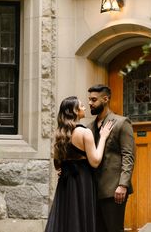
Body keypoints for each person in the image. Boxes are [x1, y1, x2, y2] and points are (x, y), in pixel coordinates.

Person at [45, 96, 113, 232]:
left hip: (66, 182)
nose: (85, 107)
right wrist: (103, 137)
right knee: (81, 217)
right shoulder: (84, 132)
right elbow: (95, 161)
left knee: (66, 219)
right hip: (82, 181)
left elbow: (57, 164)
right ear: (75, 111)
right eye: (81, 106)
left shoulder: (60, 134)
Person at [87, 84, 135, 232]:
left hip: (114, 190)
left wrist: (123, 185)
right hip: (93, 190)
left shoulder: (121, 122)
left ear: (105, 99)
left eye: (94, 100)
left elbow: (129, 155)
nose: (90, 103)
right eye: (89, 99)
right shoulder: (89, 127)